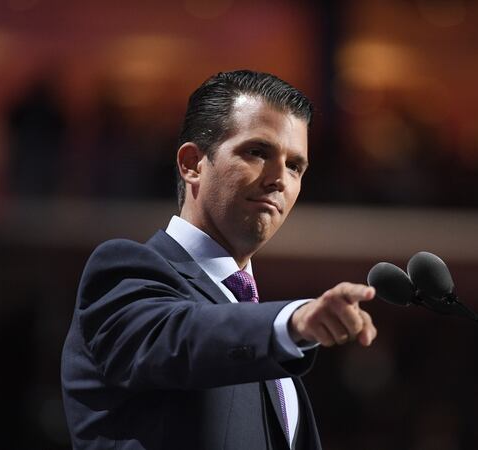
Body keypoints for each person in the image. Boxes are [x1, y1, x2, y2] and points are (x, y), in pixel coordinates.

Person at [61, 70, 378, 450]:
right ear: (193, 163)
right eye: (258, 152)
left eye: (295, 165)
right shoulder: (123, 274)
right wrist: (290, 322)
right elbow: (184, 335)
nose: (280, 178)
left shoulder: (255, 320)